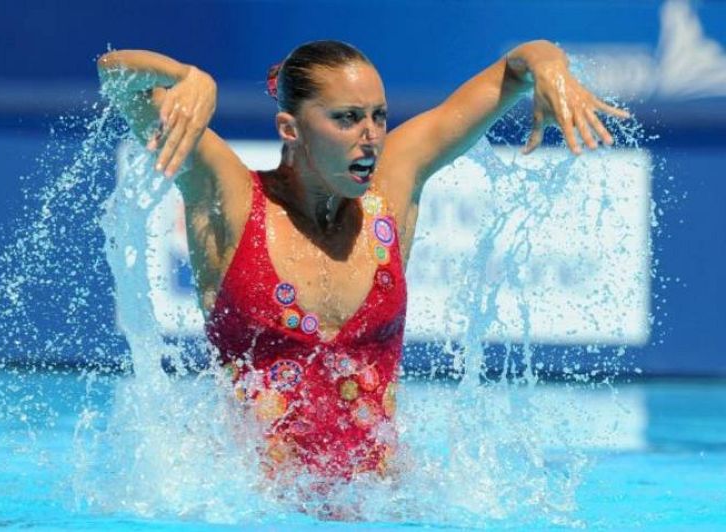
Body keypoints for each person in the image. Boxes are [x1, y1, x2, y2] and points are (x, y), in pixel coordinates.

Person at [97, 40, 629, 482]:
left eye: (378, 115)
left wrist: (550, 66)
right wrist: (186, 75)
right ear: (290, 128)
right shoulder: (231, 198)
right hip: (252, 509)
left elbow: (518, 67)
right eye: (347, 118)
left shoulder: (390, 190)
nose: (371, 135)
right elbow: (114, 75)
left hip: (384, 507)